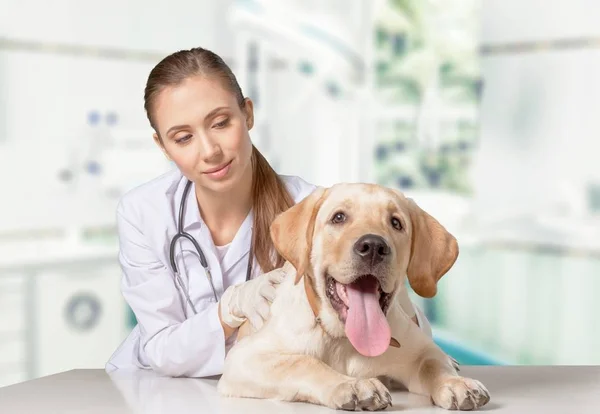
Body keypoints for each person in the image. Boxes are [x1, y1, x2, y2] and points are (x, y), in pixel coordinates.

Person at [105, 46, 432, 378]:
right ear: (162, 145)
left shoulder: (314, 212)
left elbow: (401, 341)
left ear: (247, 113)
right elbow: (162, 350)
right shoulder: (143, 211)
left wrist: (392, 297)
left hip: (267, 387)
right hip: (150, 386)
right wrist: (230, 309)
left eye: (220, 123)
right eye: (183, 137)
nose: (210, 151)